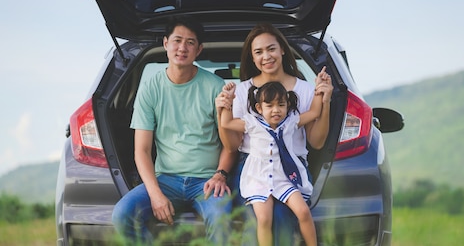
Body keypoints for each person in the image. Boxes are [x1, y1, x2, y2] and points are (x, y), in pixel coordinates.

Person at [111, 19, 237, 245]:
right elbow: (142, 150)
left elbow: (231, 144)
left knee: (220, 222)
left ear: (198, 50)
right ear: (166, 43)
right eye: (177, 41)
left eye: (190, 42)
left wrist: (220, 174)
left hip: (207, 181)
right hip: (166, 181)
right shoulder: (150, 88)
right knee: (121, 215)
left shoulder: (216, 86)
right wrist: (155, 194)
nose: (182, 48)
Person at [216, 23, 333, 245]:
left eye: (271, 49)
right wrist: (222, 107)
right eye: (258, 52)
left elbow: (317, 142)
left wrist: (324, 102)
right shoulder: (242, 92)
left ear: (282, 50)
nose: (266, 56)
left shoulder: (306, 90)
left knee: (285, 218)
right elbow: (231, 144)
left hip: (291, 168)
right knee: (258, 221)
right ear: (251, 58)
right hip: (253, 167)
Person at [218, 80, 326, 246]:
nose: (276, 110)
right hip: (258, 179)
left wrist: (319, 91)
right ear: (260, 108)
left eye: (281, 105)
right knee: (264, 219)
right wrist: (229, 102)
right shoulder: (252, 123)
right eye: (269, 106)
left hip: (284, 178)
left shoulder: (290, 122)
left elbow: (314, 112)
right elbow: (226, 123)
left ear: (287, 105)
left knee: (303, 212)